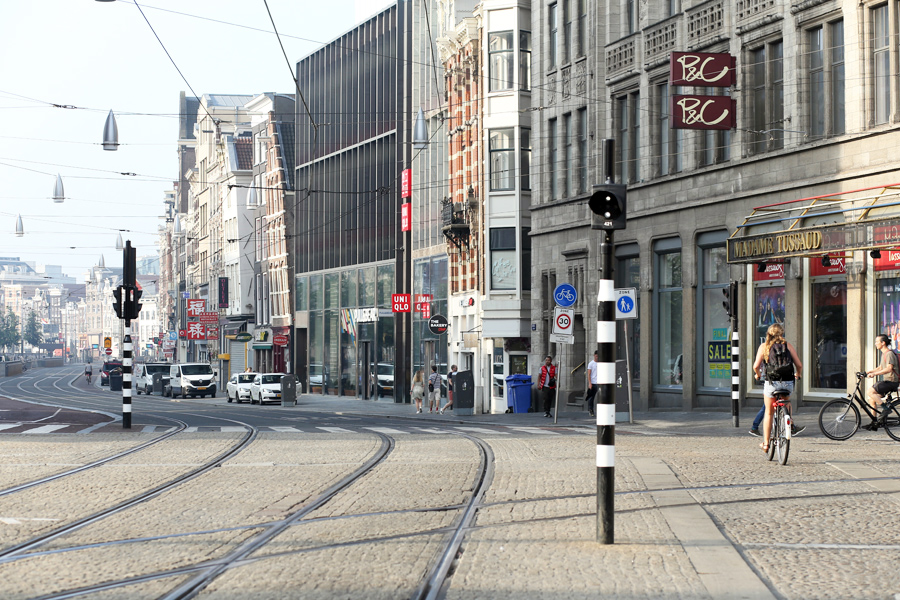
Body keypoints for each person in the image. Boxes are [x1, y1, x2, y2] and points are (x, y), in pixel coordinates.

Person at [752, 323, 802, 452]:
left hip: (772, 383)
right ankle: (789, 421)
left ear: (768, 334)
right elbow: (799, 364)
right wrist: (798, 374)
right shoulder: (788, 346)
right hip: (787, 383)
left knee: (769, 412)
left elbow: (756, 366)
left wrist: (757, 375)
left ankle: (766, 443)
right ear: (782, 334)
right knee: (787, 402)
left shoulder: (764, 347)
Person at [865, 333, 899, 413]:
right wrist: (867, 372)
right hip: (887, 382)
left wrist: (874, 374)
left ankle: (885, 409)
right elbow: (880, 368)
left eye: (877, 342)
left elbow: (889, 369)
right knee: (872, 399)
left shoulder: (889, 354)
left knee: (869, 392)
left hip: (891, 382)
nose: (875, 343)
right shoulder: (884, 353)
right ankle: (875, 422)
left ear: (883, 343)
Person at [584, 351, 600, 417]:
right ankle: (591, 410)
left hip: (599, 382)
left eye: (598, 356)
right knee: (591, 397)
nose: (597, 357)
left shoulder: (601, 363)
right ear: (594, 355)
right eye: (596, 356)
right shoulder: (591, 364)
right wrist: (590, 383)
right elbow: (589, 374)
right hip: (593, 382)